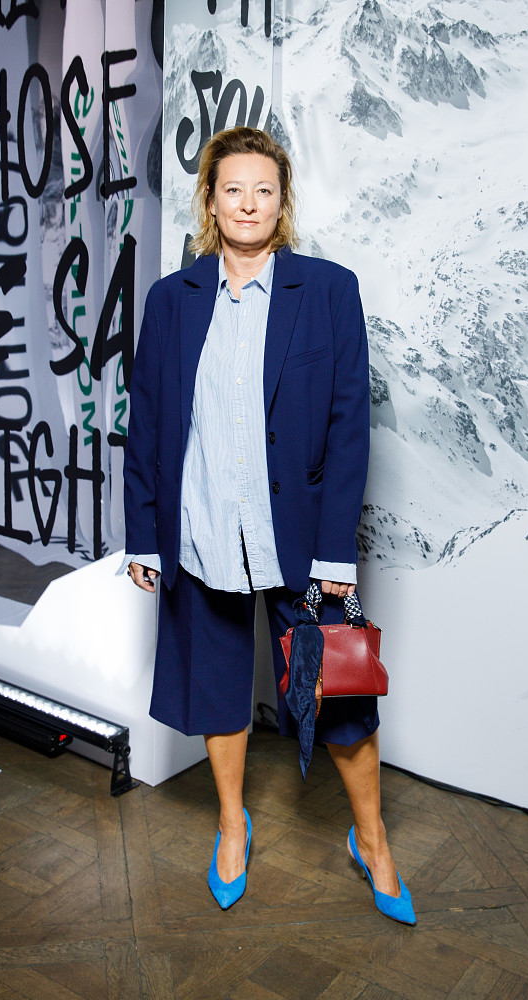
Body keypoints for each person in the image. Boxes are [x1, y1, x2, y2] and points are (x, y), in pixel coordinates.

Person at [123, 126, 415, 924]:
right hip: (200, 532)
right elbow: (147, 424)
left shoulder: (327, 290)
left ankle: (372, 839)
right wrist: (144, 534)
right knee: (216, 690)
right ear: (210, 201)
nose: (247, 204)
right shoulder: (171, 300)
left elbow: (349, 429)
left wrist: (335, 556)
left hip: (301, 544)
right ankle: (231, 824)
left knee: (339, 698)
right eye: (232, 189)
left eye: (263, 190)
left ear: (282, 201)